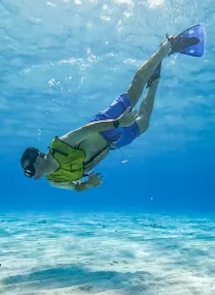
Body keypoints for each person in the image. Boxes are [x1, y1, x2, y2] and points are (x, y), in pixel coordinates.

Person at [20, 24, 205, 192]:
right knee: (144, 123)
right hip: (112, 143)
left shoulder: (60, 146)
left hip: (105, 125)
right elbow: (76, 188)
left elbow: (87, 129)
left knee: (134, 91)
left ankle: (167, 47)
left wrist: (117, 122)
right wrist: (88, 184)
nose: (29, 175)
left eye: (28, 170)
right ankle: (154, 80)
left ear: (37, 159)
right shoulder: (55, 181)